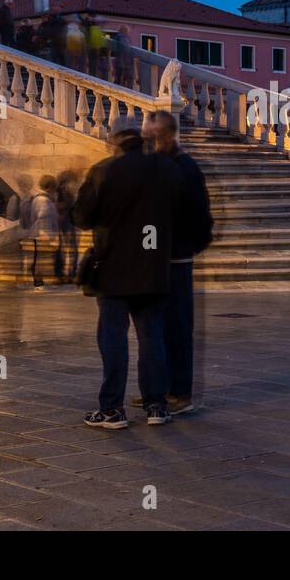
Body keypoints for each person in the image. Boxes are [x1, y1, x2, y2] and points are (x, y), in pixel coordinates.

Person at [72, 116, 183, 429]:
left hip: (112, 270)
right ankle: (156, 406)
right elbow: (182, 215)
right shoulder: (168, 170)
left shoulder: (102, 170)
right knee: (152, 339)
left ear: (114, 141)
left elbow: (82, 217)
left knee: (113, 339)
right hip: (154, 268)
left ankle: (112, 410)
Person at [142, 110, 213, 417]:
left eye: (152, 137)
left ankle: (181, 392)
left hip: (177, 258)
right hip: (160, 256)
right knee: (158, 327)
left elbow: (201, 217)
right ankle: (161, 388)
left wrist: (187, 247)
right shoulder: (165, 165)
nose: (148, 143)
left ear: (168, 136)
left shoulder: (186, 168)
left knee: (178, 327)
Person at [22, 175, 59, 290]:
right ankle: (38, 282)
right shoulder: (43, 200)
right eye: (54, 187)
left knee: (40, 259)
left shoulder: (42, 199)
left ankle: (39, 281)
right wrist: (47, 234)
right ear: (50, 187)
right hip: (41, 234)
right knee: (40, 259)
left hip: (41, 233)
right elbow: (44, 217)